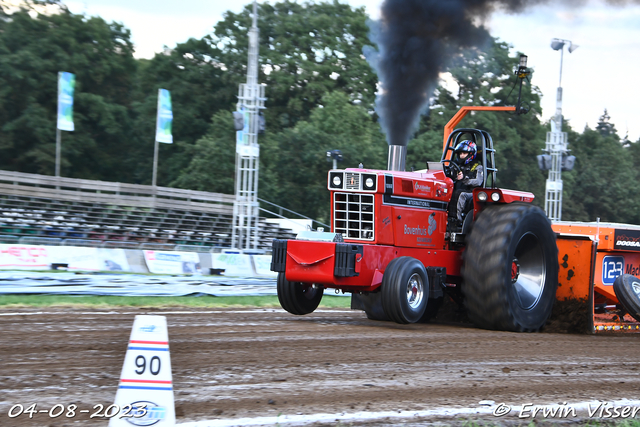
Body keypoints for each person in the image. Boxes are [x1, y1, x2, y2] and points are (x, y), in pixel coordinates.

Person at [450, 140, 483, 225]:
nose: (461, 156)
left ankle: (456, 221)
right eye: (460, 153)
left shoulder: (478, 167)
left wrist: (464, 178)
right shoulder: (456, 166)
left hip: (472, 192)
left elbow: (478, 181)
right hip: (459, 189)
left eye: (464, 153)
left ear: (471, 154)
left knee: (459, 194)